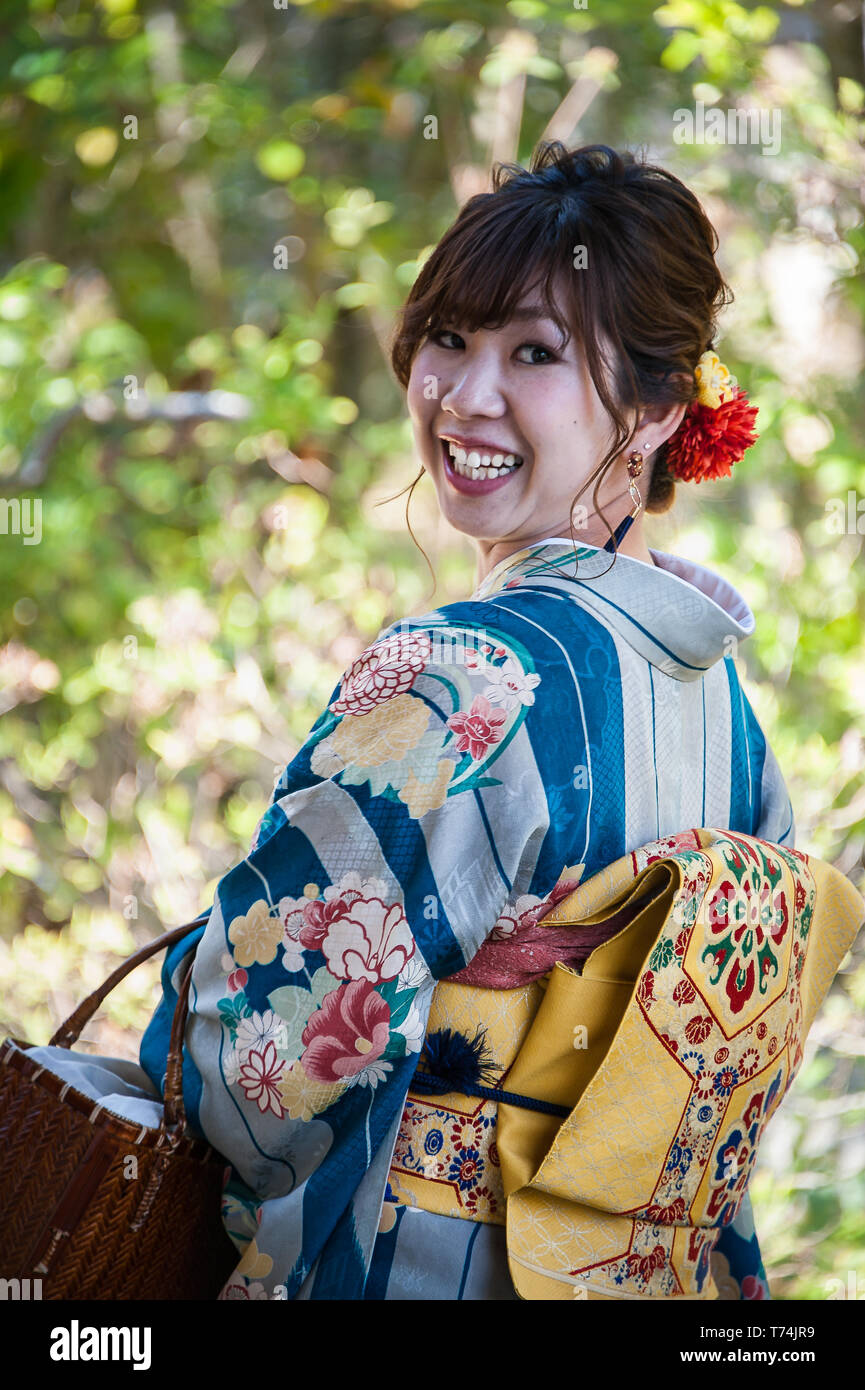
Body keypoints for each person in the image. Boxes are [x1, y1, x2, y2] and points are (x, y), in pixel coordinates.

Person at [140, 142, 794, 1300]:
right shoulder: (726, 714)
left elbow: (257, 1062)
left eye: (533, 353)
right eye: (448, 338)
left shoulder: (466, 674)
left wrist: (209, 968)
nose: (462, 394)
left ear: (653, 408)